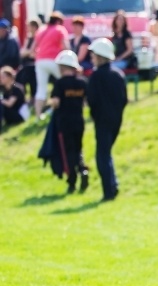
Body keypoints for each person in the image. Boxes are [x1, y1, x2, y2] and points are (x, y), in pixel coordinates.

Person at [86, 38, 127, 202]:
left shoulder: (95, 77)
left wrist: (95, 115)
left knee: (102, 156)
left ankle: (108, 191)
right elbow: (124, 99)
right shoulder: (118, 75)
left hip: (102, 120)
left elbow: (92, 100)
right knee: (107, 153)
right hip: (116, 119)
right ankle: (113, 184)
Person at [49, 50, 88, 194]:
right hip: (79, 121)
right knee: (78, 149)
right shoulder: (82, 83)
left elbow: (56, 102)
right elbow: (85, 102)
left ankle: (72, 181)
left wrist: (49, 102)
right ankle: (83, 169)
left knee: (68, 152)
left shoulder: (59, 84)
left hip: (64, 123)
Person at [33, 11, 69, 119]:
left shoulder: (41, 30)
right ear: (58, 21)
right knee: (65, 82)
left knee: (41, 89)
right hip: (54, 60)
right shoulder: (59, 29)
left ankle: (38, 116)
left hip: (40, 61)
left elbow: (34, 48)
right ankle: (68, 106)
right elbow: (66, 47)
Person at [0, 66, 29, 131]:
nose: (1, 79)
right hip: (11, 114)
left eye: (3, 77)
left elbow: (10, 104)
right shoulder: (4, 90)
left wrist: (1, 100)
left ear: (9, 77)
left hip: (20, 116)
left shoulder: (16, 88)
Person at [18, 20, 39, 103]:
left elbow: (33, 53)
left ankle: (32, 97)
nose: (27, 28)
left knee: (32, 79)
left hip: (33, 64)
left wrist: (27, 52)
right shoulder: (29, 37)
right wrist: (28, 52)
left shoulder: (37, 37)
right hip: (25, 63)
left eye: (29, 26)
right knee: (20, 79)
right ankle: (22, 95)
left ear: (34, 27)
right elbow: (23, 52)